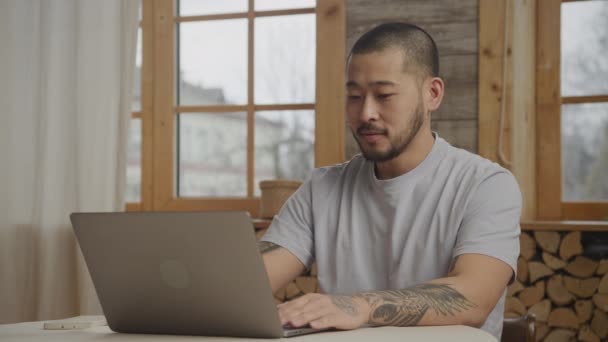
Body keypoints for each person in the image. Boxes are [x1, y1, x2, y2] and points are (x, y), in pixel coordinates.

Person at [258, 22, 521, 340]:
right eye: (354, 96)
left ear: (432, 94)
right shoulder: (321, 188)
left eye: (384, 95)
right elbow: (252, 283)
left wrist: (359, 306)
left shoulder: (487, 185)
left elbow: (474, 295)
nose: (366, 112)